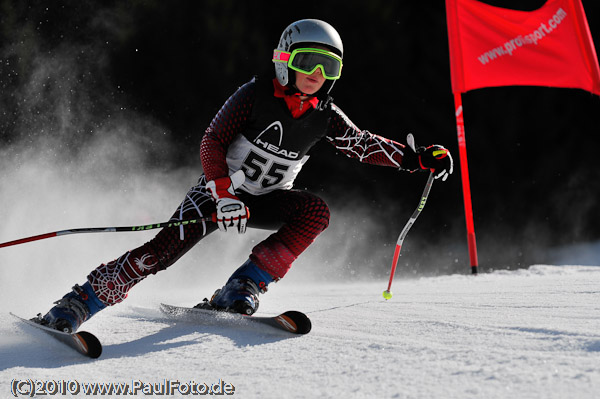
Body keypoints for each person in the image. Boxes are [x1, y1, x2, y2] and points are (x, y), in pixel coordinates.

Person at [36, 19, 453, 333]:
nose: (317, 74)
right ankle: (76, 304)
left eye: (330, 67)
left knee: (314, 212)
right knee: (160, 253)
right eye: (310, 61)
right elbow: (211, 142)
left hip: (267, 200)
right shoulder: (254, 95)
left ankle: (242, 287)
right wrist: (222, 192)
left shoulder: (324, 116)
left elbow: (361, 144)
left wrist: (417, 159)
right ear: (286, 59)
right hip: (219, 194)